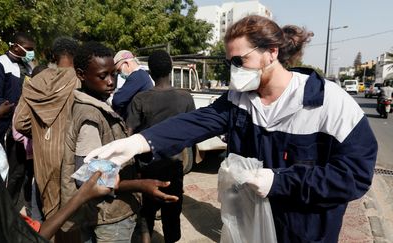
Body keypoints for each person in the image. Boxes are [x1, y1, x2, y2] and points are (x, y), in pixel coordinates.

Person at [86, 15, 378, 242]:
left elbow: (354, 176)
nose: (235, 70)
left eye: (241, 61)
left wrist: (279, 182)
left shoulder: (329, 104)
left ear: (271, 53)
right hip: (250, 228)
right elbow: (197, 122)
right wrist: (140, 141)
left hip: (304, 232)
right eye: (230, 63)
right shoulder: (240, 101)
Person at [0, 53, 115, 243]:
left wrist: (41, 134)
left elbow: (20, 123)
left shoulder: (36, 82)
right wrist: (81, 196)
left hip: (42, 168)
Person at [60, 41, 178, 243]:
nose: (111, 82)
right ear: (80, 74)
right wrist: (140, 185)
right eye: (102, 76)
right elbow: (87, 179)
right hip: (108, 217)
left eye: (113, 74)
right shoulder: (90, 116)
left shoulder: (96, 106)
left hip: (109, 213)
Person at [126, 50, 195, 243]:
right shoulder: (185, 98)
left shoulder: (140, 99)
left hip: (147, 167)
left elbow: (129, 133)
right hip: (174, 165)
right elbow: (192, 134)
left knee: (146, 210)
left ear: (150, 72)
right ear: (171, 69)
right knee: (172, 211)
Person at [14, 36, 81, 219]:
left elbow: (20, 122)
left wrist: (40, 130)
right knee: (71, 216)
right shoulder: (80, 80)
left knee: (49, 212)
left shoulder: (36, 81)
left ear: (53, 55)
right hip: (72, 155)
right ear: (76, 55)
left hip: (43, 156)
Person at [0, 32, 36, 204]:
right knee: (4, 169)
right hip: (4, 128)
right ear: (16, 46)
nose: (32, 53)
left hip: (23, 129)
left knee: (19, 171)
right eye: (29, 49)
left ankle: (12, 207)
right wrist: (17, 110)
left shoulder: (27, 66)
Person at [112, 50, 153, 119]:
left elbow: (117, 100)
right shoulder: (142, 74)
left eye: (119, 70)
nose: (119, 74)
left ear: (127, 63)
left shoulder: (137, 76)